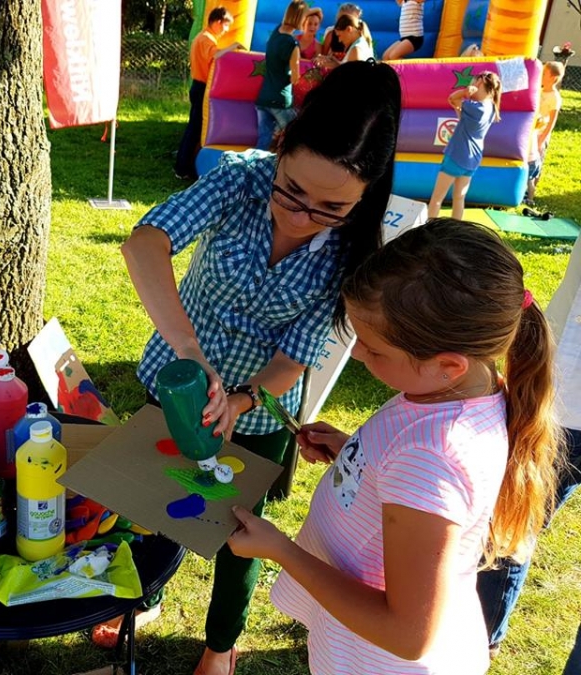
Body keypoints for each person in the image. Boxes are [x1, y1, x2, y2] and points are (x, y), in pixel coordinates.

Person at [122, 60, 402, 675]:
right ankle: (145, 596)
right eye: (292, 190)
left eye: (330, 207)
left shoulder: (354, 253)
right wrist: (191, 354)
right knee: (155, 497)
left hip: (259, 414)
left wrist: (240, 401)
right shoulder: (238, 180)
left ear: (365, 195)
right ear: (282, 146)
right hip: (174, 379)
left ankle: (221, 645)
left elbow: (295, 356)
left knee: (240, 534)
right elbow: (145, 243)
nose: (300, 217)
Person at [228, 218, 561, 675]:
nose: (357, 354)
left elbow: (407, 635)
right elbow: (417, 488)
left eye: (374, 349)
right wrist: (355, 453)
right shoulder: (460, 391)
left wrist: (281, 550)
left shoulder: (432, 456)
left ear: (448, 365)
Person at [476, 232, 581, 659]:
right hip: (564, 401)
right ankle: (480, 633)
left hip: (564, 399)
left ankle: (480, 633)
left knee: (511, 522)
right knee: (510, 521)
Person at [174, 7, 242, 180]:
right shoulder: (206, 39)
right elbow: (216, 55)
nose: (226, 30)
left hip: (199, 86)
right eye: (226, 25)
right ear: (218, 22)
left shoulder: (203, 37)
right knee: (195, 129)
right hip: (201, 86)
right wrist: (233, 46)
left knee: (195, 128)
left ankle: (185, 166)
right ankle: (182, 168)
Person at [427, 71, 501, 220]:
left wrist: (465, 92)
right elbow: (463, 117)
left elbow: (452, 98)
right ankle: (457, 228)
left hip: (457, 155)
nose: (471, 85)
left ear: (480, 83)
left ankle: (429, 226)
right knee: (459, 197)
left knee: (437, 198)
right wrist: (460, 105)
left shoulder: (475, 107)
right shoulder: (491, 108)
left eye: (474, 82)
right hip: (473, 158)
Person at [255, 1, 307, 150]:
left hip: (263, 98)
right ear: (300, 19)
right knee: (297, 136)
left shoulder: (276, 31)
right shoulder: (292, 45)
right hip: (280, 101)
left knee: (263, 142)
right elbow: (295, 78)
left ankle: (251, 165)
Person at [525, 61, 564, 205]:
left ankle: (531, 194)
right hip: (532, 132)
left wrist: (542, 138)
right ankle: (525, 189)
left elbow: (552, 121)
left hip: (541, 133)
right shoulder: (539, 91)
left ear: (553, 78)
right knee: (528, 160)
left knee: (536, 162)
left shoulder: (554, 97)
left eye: (545, 73)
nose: (541, 75)